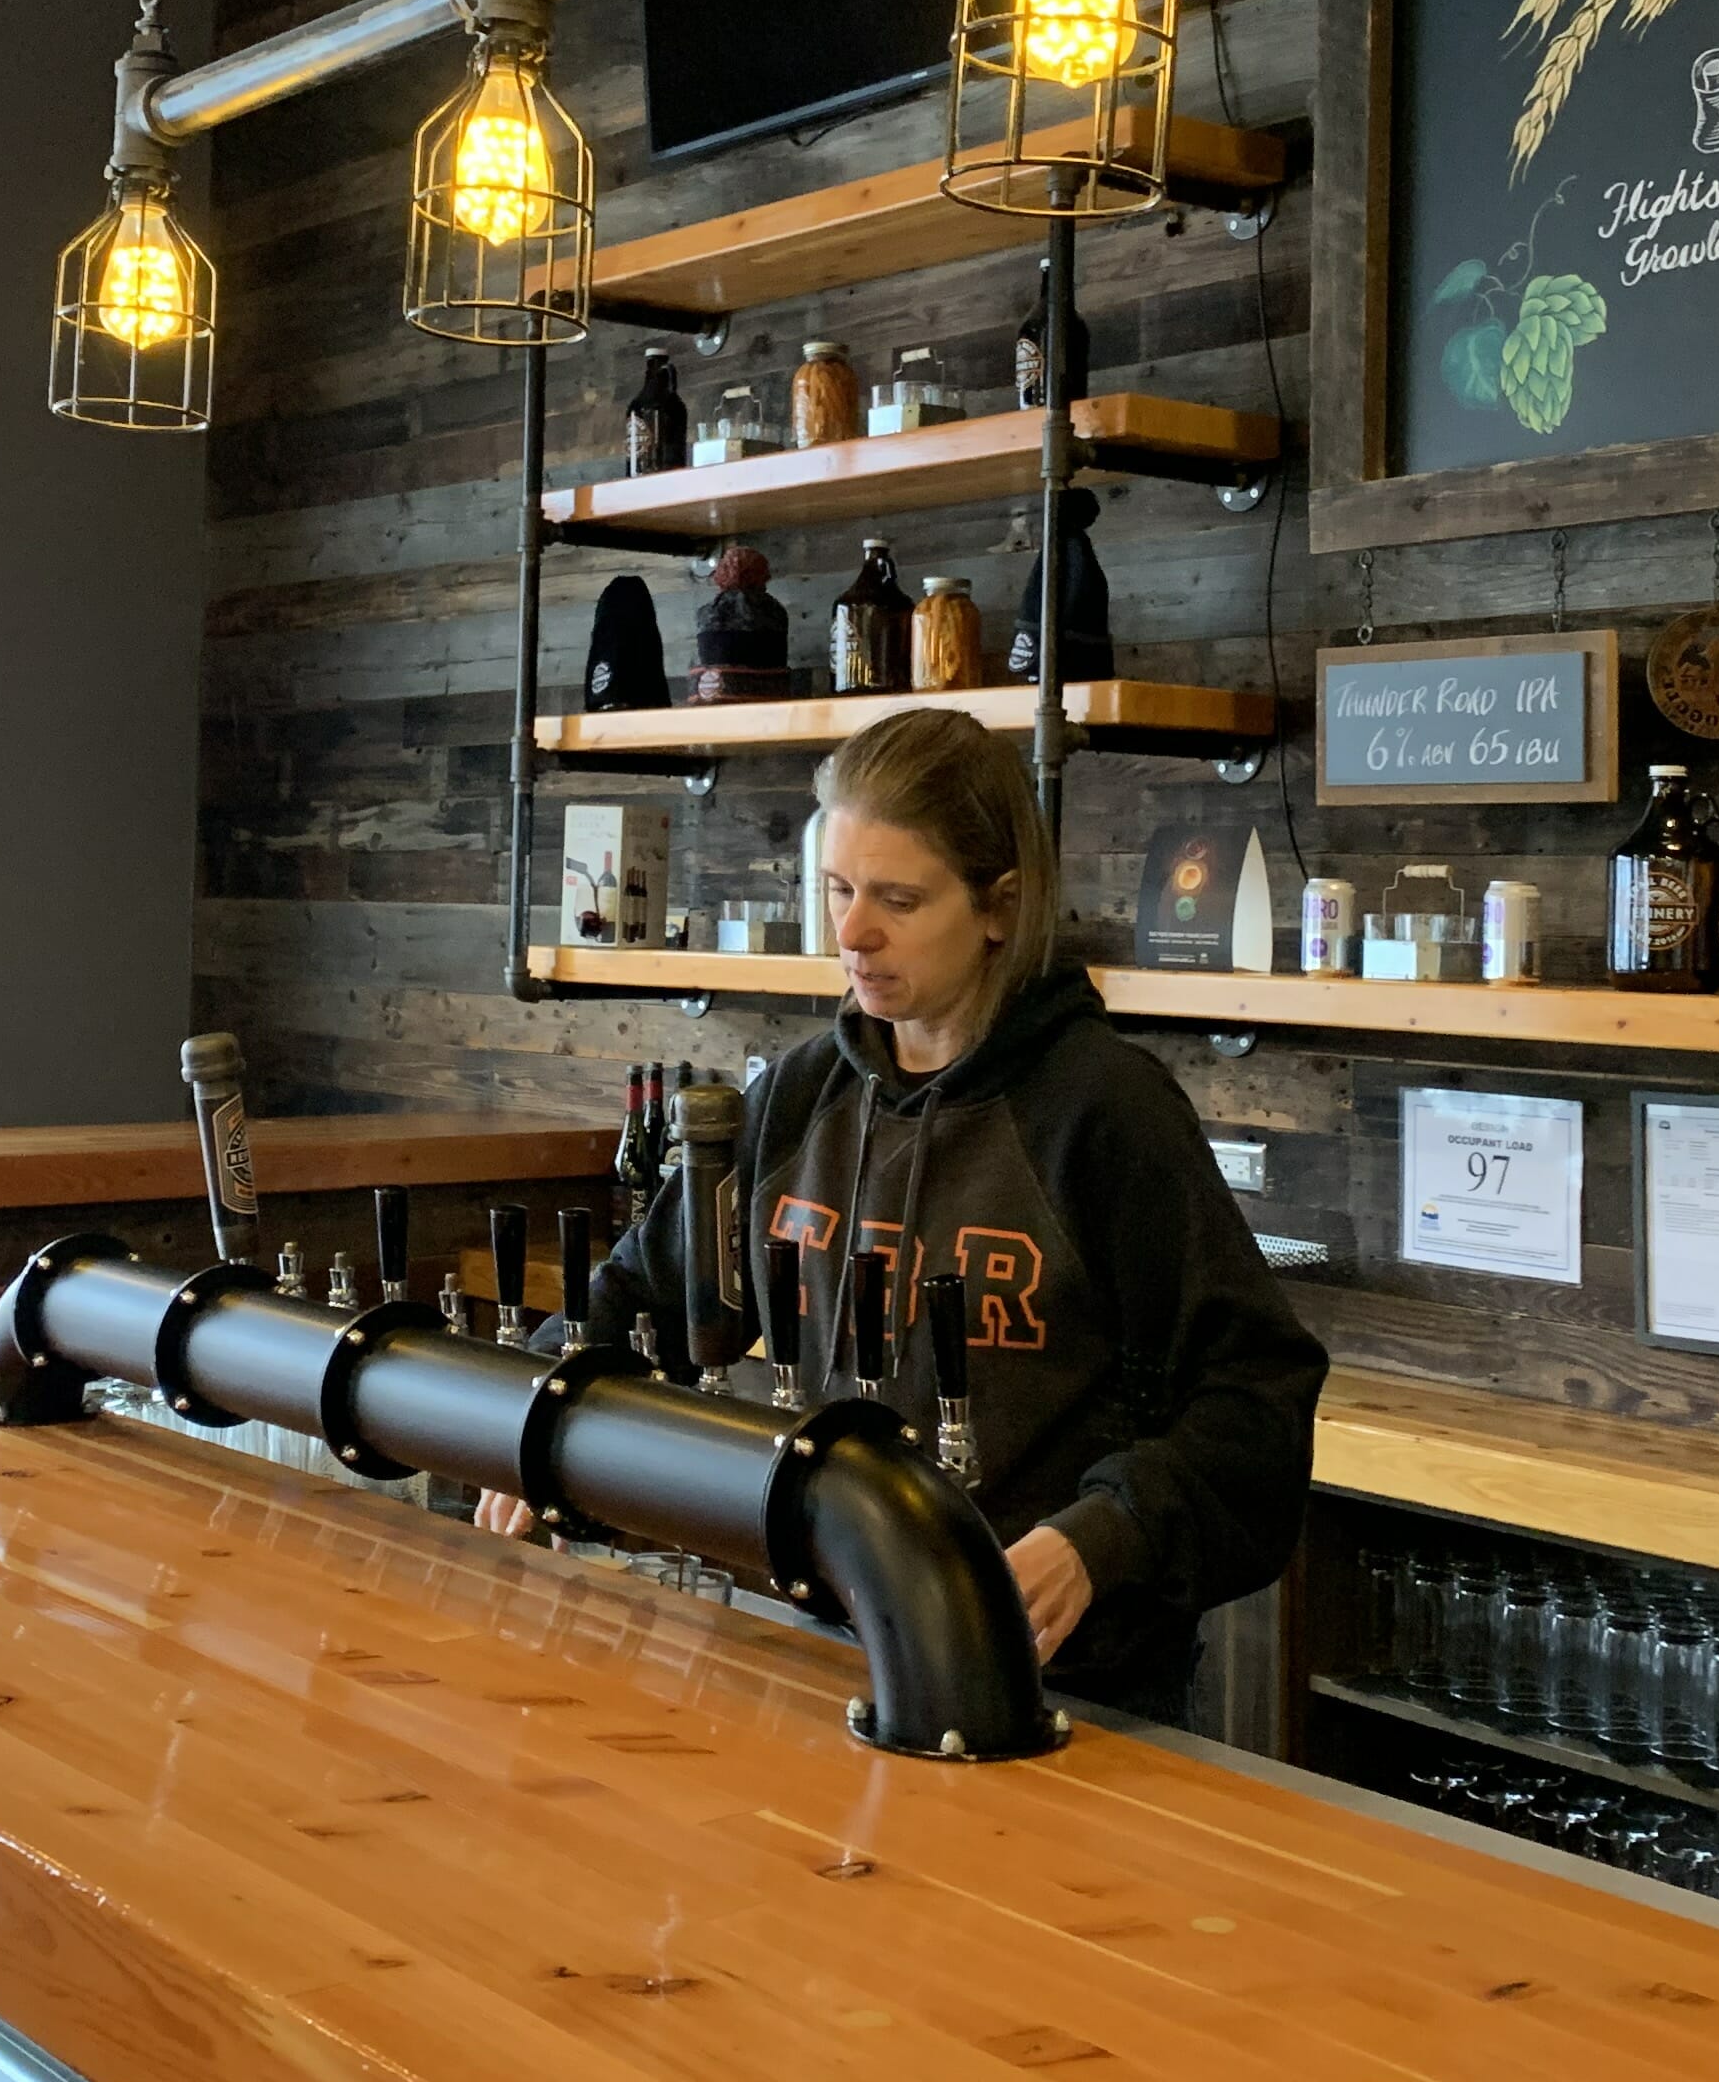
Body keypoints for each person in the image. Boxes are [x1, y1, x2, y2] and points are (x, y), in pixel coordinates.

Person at [497, 709, 1326, 1720]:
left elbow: (1254, 1404)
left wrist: (1098, 1540)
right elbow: (635, 1300)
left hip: (1054, 1688)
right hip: (814, 1654)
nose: (852, 934)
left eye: (898, 899)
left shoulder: (1103, 1112)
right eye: (838, 890)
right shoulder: (798, 1098)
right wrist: (529, 1423)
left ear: (999, 908)